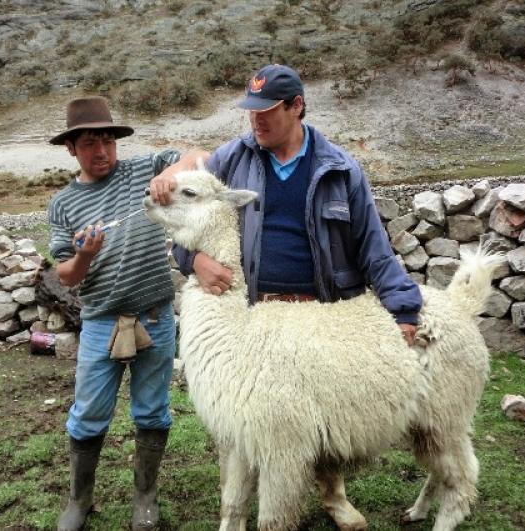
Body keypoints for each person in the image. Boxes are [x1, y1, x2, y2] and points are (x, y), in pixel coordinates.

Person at [148, 62, 422, 528]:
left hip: (322, 311)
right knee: (249, 422)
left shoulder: (338, 169)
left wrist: (404, 308)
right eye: (251, 111)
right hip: (259, 313)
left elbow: (374, 248)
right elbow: (193, 200)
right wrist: (192, 259)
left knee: (317, 419)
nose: (256, 121)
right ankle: (234, 510)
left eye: (268, 111)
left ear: (296, 107)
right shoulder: (237, 156)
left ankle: (332, 497)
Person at [47, 96, 203, 531]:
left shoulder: (141, 171)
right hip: (100, 320)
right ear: (71, 148)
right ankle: (80, 500)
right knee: (89, 413)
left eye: (108, 141)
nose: (102, 152)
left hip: (154, 314)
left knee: (152, 412)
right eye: (90, 143)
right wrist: (83, 256)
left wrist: (170, 175)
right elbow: (66, 275)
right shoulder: (63, 204)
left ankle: (145, 497)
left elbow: (197, 156)